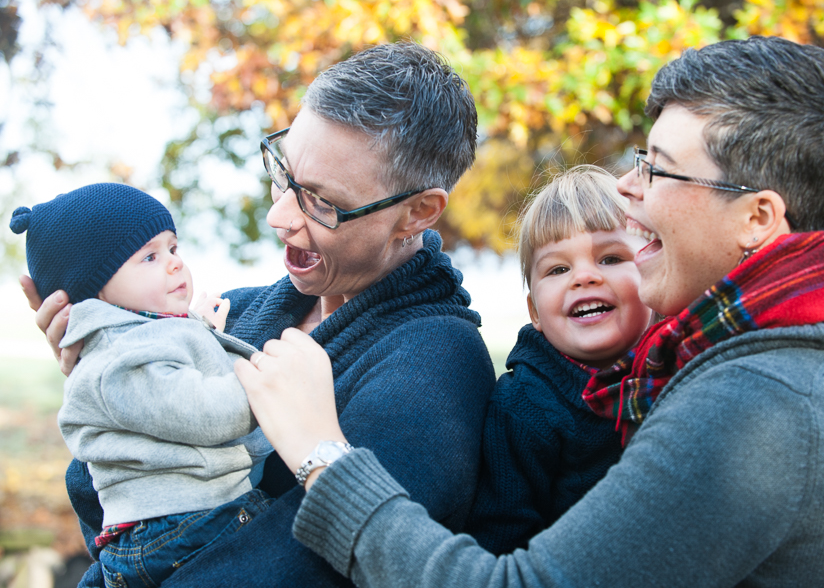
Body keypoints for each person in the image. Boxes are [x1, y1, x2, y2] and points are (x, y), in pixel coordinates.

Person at [241, 36, 824, 586]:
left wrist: (321, 453)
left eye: (659, 170)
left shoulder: (762, 404)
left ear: (757, 216)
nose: (625, 185)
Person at [22, 42, 496, 587]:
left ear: (416, 213)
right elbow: (109, 520)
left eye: (321, 201)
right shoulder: (235, 312)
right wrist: (106, 375)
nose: (278, 215)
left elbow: (295, 572)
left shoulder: (433, 368)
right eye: (282, 171)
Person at [10, 182, 273, 587]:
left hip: (189, 518)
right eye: (149, 256)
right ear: (93, 292)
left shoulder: (143, 334)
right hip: (180, 525)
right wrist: (269, 387)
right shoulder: (117, 359)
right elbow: (202, 411)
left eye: (173, 248)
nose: (174, 264)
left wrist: (201, 329)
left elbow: (171, 361)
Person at [464, 165, 651, 554]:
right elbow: (502, 537)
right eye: (559, 268)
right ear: (534, 310)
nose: (584, 277)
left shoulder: (680, 368)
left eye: (611, 258)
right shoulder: (524, 406)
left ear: (653, 272)